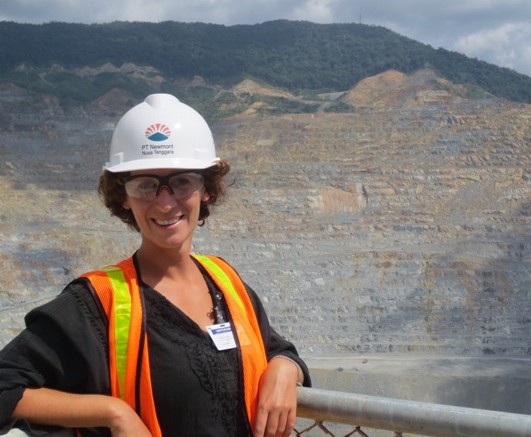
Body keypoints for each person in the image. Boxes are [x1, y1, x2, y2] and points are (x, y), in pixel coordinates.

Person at [0, 93, 310, 437]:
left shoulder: (226, 282)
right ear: (124, 196)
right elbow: (5, 385)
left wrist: (284, 368)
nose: (165, 203)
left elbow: (276, 349)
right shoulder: (98, 303)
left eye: (181, 182)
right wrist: (113, 413)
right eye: (146, 185)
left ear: (205, 188)